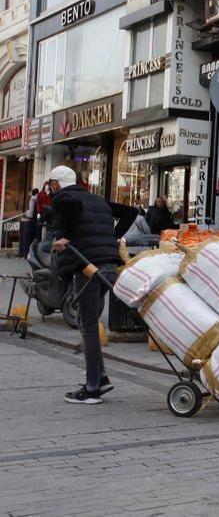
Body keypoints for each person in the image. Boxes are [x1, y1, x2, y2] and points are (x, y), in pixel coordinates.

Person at [46, 166, 119, 405]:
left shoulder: (65, 198)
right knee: (87, 321)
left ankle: (91, 389)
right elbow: (127, 213)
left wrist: (64, 236)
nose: (50, 189)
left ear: (56, 184)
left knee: (87, 325)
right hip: (109, 265)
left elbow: (71, 206)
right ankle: (101, 377)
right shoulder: (97, 199)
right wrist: (110, 240)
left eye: (51, 185)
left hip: (88, 267)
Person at [18, 188, 37, 258]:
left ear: (32, 192)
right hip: (33, 221)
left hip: (30, 221)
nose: (28, 193)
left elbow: (30, 213)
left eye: (30, 192)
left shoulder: (32, 199)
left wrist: (26, 217)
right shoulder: (35, 199)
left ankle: (24, 254)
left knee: (27, 238)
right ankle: (25, 254)